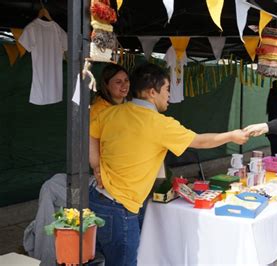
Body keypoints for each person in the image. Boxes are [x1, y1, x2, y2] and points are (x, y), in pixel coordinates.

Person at [89, 63, 249, 266]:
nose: (169, 96)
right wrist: (232, 136)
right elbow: (200, 141)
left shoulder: (112, 112)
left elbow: (90, 133)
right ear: (152, 92)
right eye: (166, 89)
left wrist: (95, 164)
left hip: (96, 198)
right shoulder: (159, 124)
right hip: (120, 207)